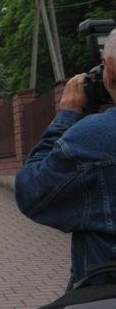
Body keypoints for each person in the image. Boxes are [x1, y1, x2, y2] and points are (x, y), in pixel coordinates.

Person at [15, 28, 116, 285]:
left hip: (104, 308)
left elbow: (31, 191)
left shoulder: (93, 139)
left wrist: (67, 116)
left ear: (110, 69)